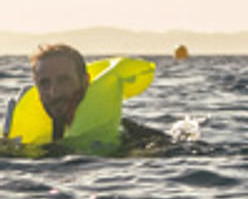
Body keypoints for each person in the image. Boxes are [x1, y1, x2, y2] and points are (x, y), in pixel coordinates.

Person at [5, 44, 164, 152]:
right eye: (44, 83)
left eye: (64, 80)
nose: (54, 93)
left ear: (85, 81)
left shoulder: (132, 138)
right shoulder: (24, 143)